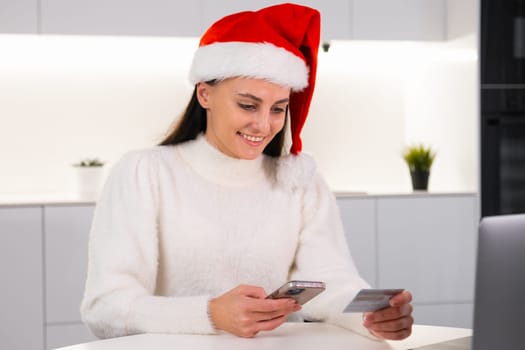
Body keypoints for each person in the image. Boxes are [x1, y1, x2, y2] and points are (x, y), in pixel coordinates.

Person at [80, 3, 413, 341]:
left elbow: (331, 281)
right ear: (205, 93)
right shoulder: (144, 173)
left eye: (278, 109)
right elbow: (106, 306)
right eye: (248, 105)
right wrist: (211, 314)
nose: (264, 124)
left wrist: (371, 316)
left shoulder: (298, 179)